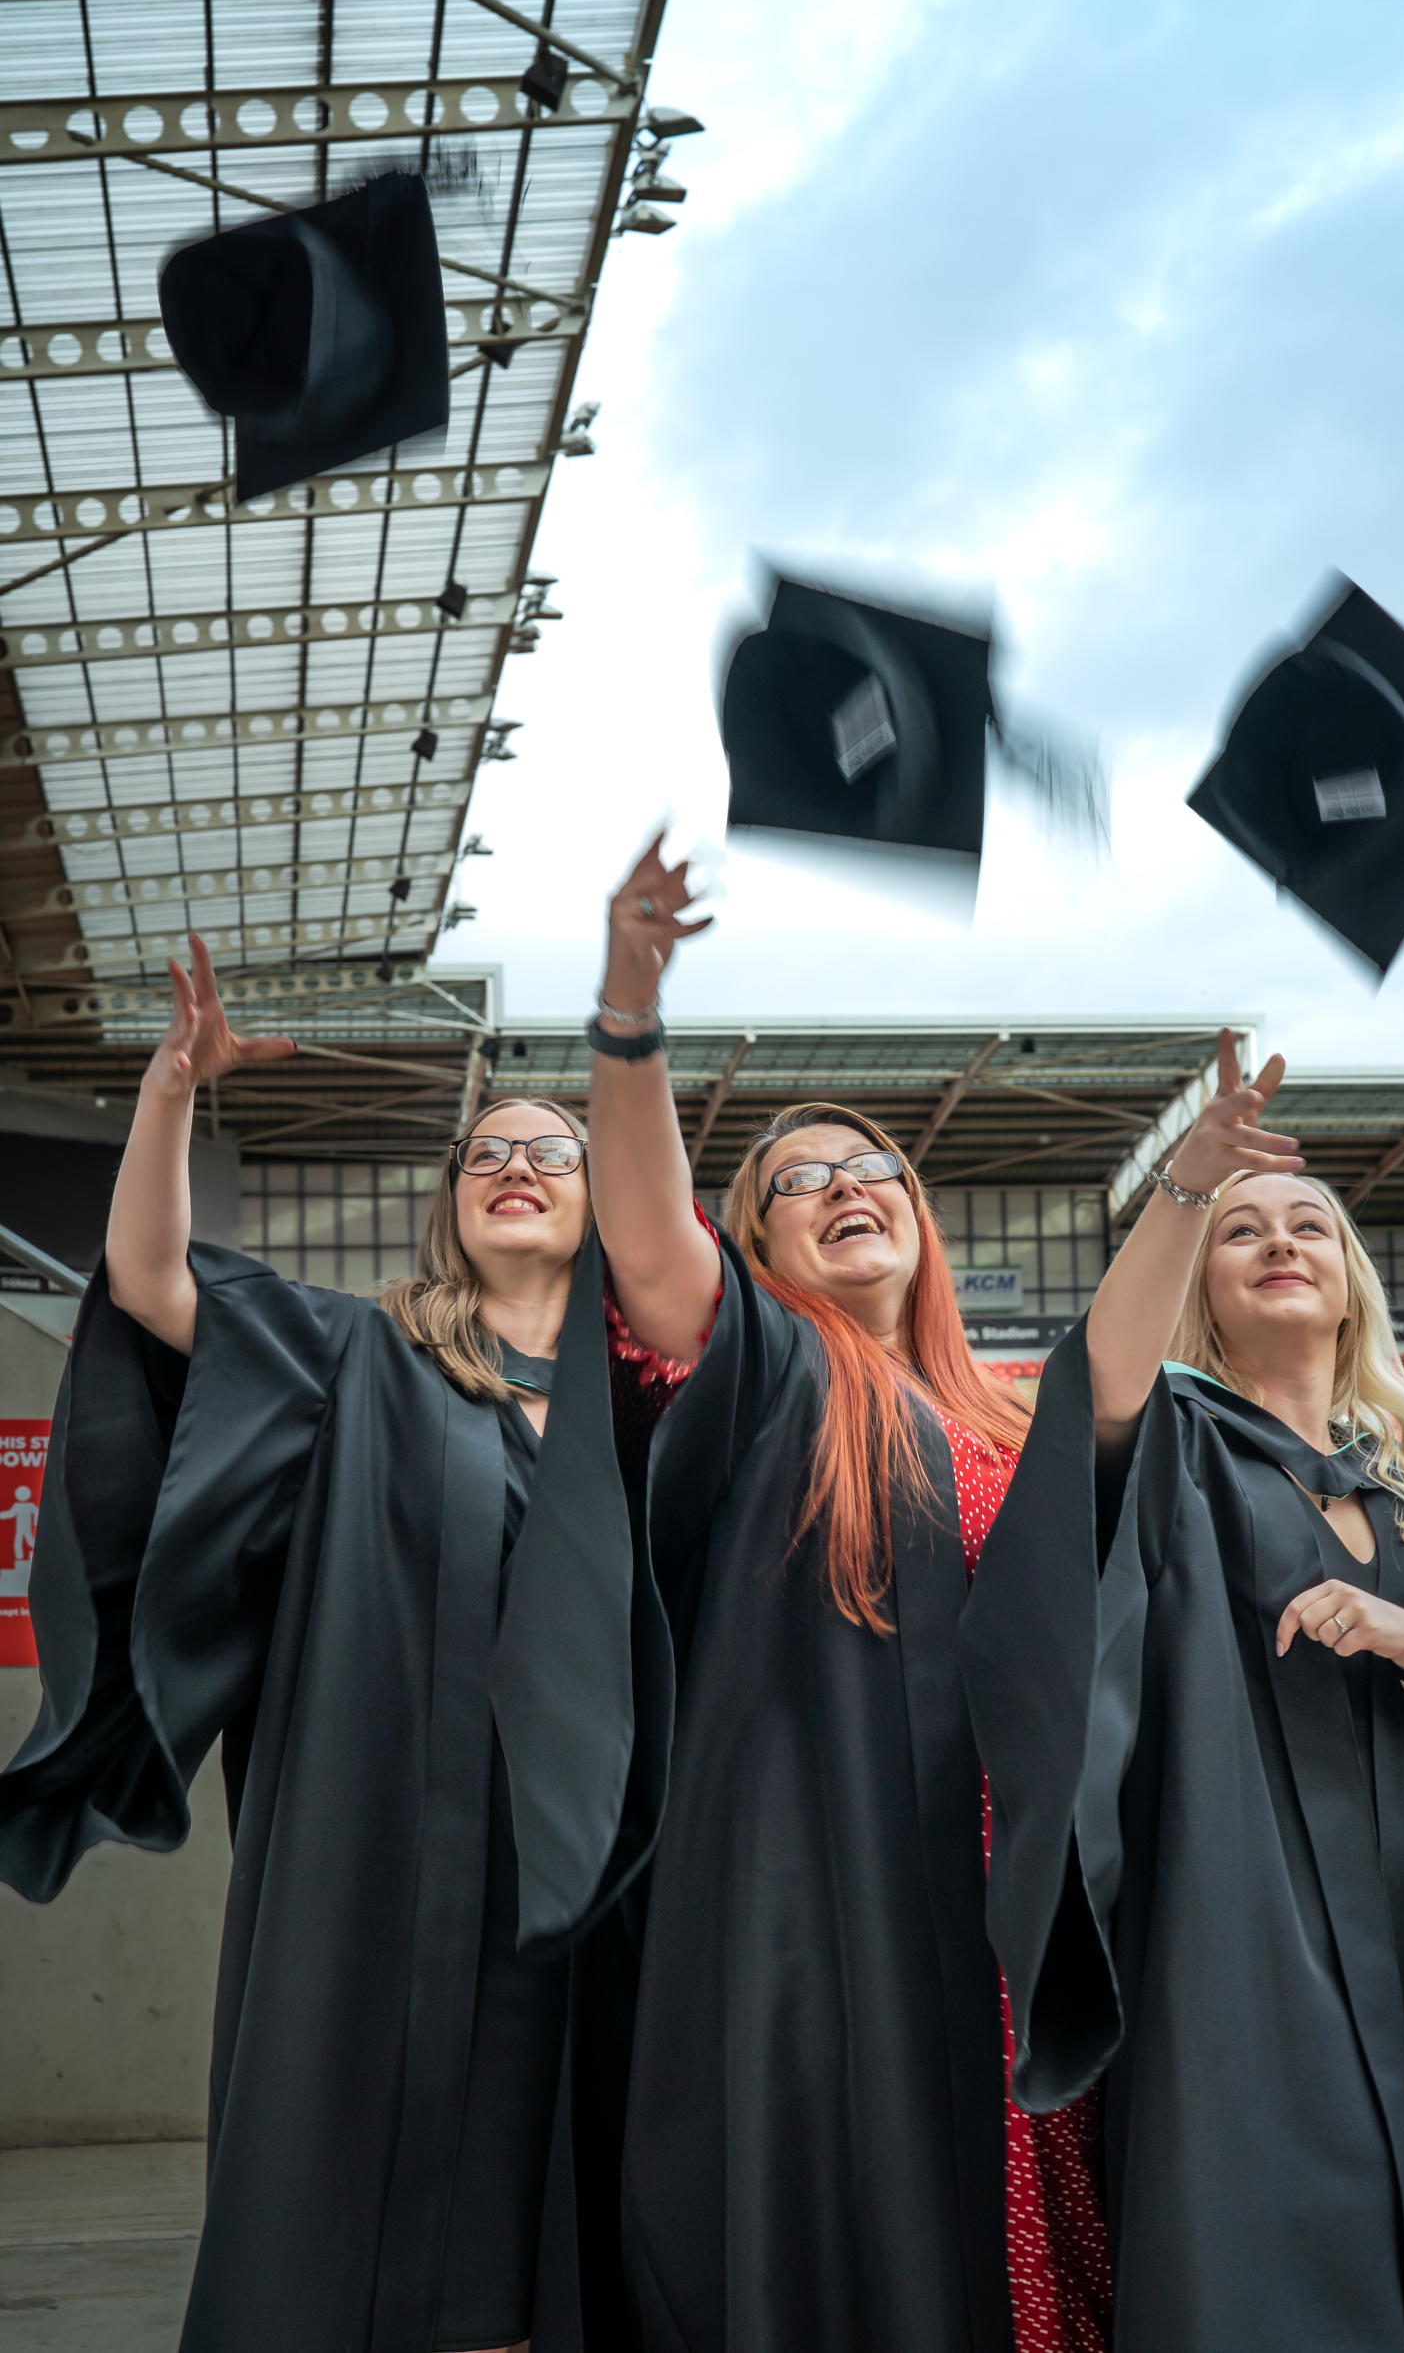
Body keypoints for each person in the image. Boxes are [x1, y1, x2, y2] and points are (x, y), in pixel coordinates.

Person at [0, 936, 677, 2353]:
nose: (517, 1167)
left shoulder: (658, 1399)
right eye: (486, 1152)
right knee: (347, 2185)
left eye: (552, 1152)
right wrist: (171, 1094)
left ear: (601, 1195)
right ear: (450, 1204)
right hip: (377, 1854)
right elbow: (148, 1277)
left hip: (598, 1863)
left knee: (556, 2198)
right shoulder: (357, 1357)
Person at [579, 837, 1117, 2353]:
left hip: (1023, 1907)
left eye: (872, 1167)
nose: (845, 1186)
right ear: (756, 1245)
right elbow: (639, 1232)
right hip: (841, 1901)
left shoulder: (1014, 1417)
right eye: (797, 1182)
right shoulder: (765, 1374)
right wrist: (630, 1003)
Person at [962, 1030, 1404, 2353]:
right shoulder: (1177, 1451)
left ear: (1351, 1288)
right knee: (1264, 2250)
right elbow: (1098, 1397)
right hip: (1246, 1924)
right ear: (1206, 1292)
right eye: (1245, 1234)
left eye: (1309, 1228)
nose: (1280, 1242)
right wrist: (1188, 1181)